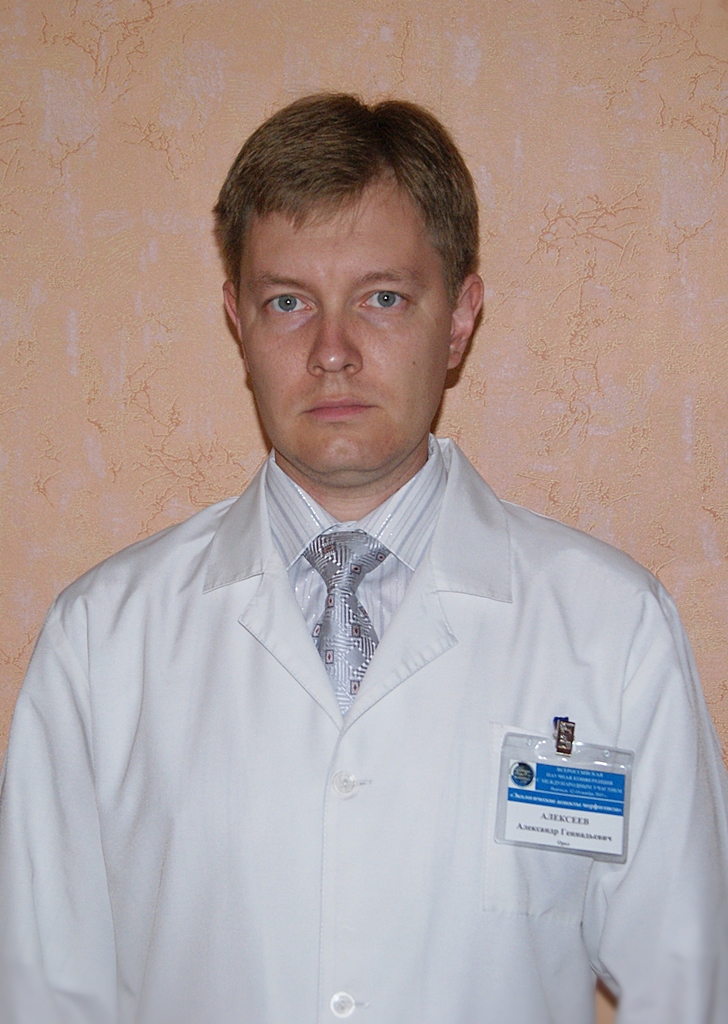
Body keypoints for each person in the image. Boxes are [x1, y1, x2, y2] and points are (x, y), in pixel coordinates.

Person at [0, 93, 726, 1024]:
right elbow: (43, 994)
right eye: (288, 302)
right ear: (237, 322)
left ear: (458, 318)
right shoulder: (102, 639)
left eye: (383, 298)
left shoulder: (612, 629)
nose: (332, 352)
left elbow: (687, 988)